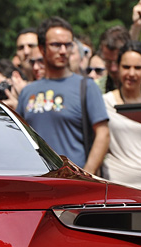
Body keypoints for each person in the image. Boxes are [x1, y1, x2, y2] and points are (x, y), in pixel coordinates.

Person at [17, 17, 110, 174]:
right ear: (42, 48)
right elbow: (18, 139)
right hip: (35, 181)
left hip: (74, 184)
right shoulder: (27, 92)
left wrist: (86, 175)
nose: (63, 51)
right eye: (56, 45)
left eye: (68, 45)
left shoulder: (86, 86)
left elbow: (103, 134)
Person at [102, 41, 141, 189]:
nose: (131, 74)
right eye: (126, 67)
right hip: (117, 188)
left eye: (138, 68)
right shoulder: (105, 102)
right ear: (118, 68)